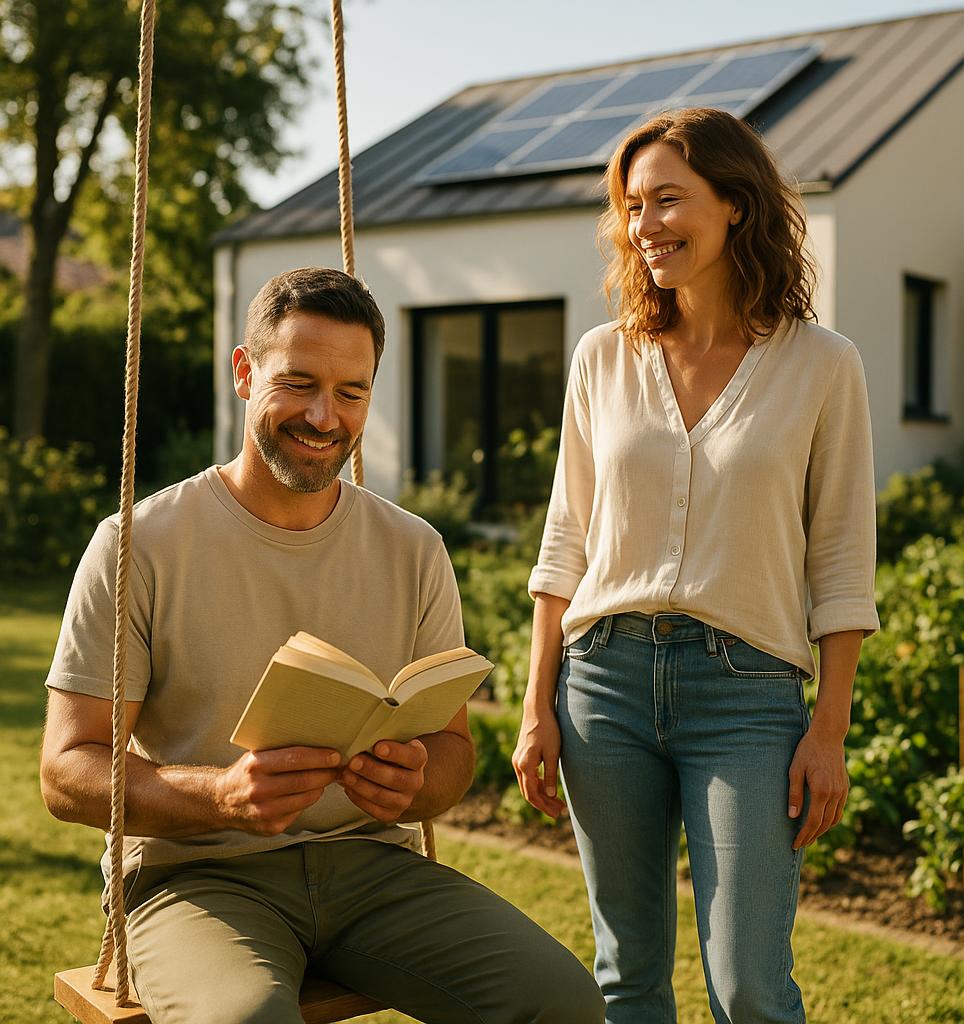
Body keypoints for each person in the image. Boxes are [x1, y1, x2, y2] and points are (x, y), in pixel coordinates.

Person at [40, 267, 604, 1024]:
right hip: (197, 875)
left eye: (351, 392)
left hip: (371, 867)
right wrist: (221, 795)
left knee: (561, 1003)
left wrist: (415, 781)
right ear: (245, 372)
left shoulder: (413, 548)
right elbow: (66, 771)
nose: (323, 416)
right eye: (298, 382)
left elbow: (454, 754)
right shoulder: (140, 545)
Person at [512, 109, 880, 1024]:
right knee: (626, 973)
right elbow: (566, 541)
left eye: (669, 200)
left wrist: (828, 728)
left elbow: (841, 557)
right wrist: (534, 708)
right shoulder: (603, 358)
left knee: (749, 983)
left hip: (748, 697)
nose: (646, 227)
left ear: (737, 207)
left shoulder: (825, 366)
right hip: (603, 687)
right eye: (633, 207)